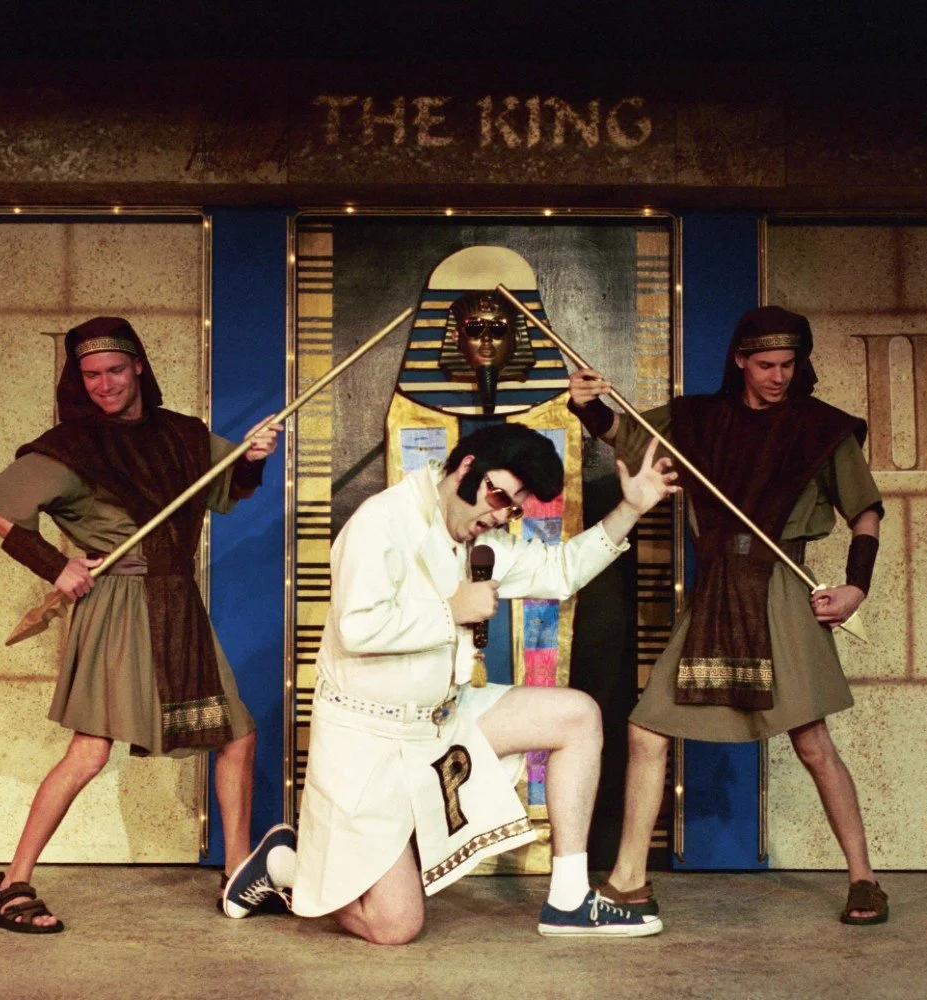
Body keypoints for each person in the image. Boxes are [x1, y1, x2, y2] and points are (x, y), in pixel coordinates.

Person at [223, 423, 679, 942]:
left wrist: (631, 509)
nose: (499, 514)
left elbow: (559, 571)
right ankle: (286, 865)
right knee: (395, 927)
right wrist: (449, 614)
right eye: (498, 496)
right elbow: (356, 627)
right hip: (367, 741)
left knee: (576, 715)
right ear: (467, 467)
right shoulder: (382, 522)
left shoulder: (480, 539)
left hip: (441, 719)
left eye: (513, 509)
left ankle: (570, 900)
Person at [567, 305, 889, 926]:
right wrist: (586, 405)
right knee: (646, 730)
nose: (779, 376)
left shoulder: (824, 429)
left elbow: (866, 513)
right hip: (717, 588)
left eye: (789, 365)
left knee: (813, 742)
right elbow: (625, 433)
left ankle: (865, 879)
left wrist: (856, 587)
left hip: (782, 589)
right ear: (740, 360)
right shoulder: (699, 419)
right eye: (766, 364)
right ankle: (630, 880)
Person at [0, 316, 281, 933]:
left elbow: (230, 487)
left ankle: (238, 873)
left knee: (238, 736)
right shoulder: (71, 448)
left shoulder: (182, 437)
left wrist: (252, 458)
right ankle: (12, 885)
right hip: (119, 606)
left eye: (115, 370)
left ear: (138, 365)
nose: (104, 384)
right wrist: (56, 565)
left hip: (177, 600)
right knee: (89, 752)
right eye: (90, 375)